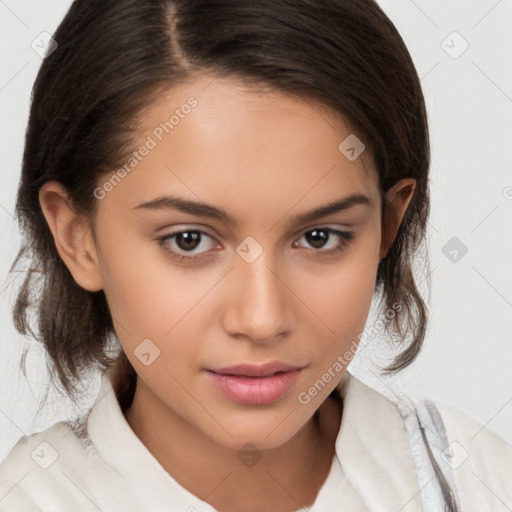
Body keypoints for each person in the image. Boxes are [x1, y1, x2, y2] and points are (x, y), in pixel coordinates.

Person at [1, 0, 511, 511]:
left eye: (319, 237)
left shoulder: (478, 483)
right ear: (77, 236)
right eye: (189, 240)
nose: (262, 319)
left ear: (387, 225)